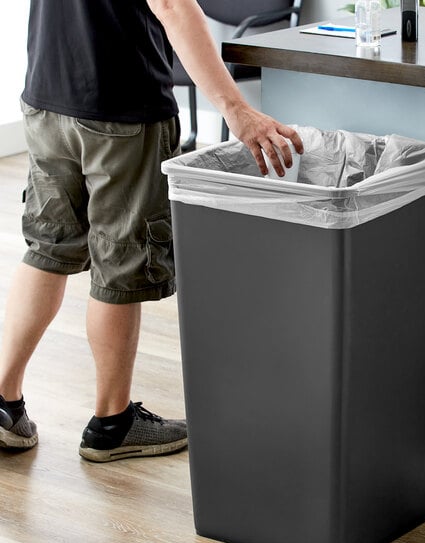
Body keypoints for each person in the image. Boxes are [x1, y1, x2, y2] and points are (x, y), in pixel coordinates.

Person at [0, 0, 303, 461]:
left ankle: (3, 401)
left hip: (46, 94)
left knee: (48, 248)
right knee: (122, 264)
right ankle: (112, 423)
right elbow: (171, 5)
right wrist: (238, 110)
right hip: (120, 105)